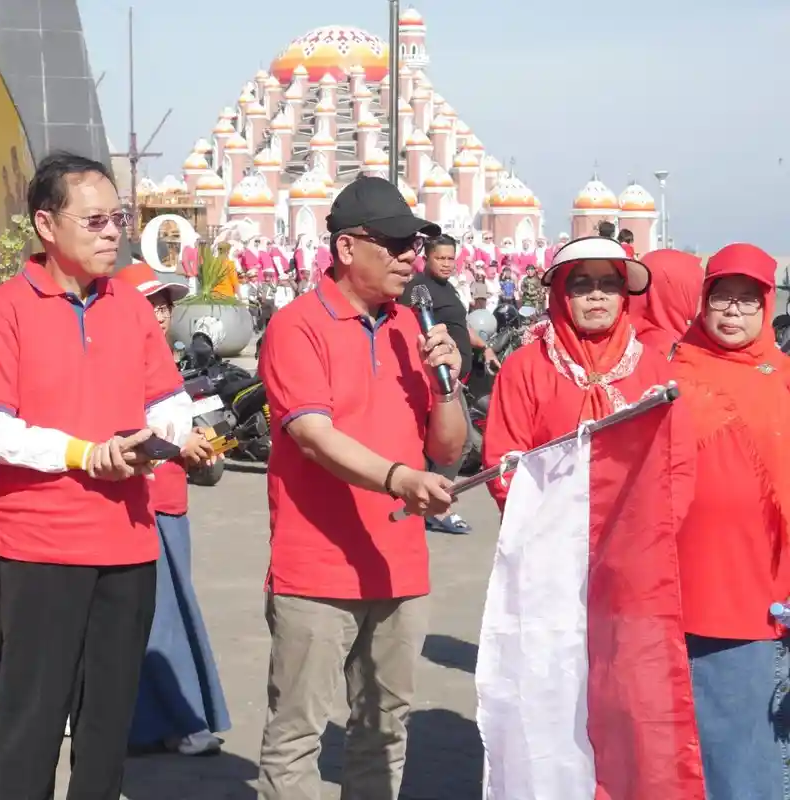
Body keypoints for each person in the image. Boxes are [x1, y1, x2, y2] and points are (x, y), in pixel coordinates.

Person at [0, 152, 207, 799]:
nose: (111, 233)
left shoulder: (130, 307)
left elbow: (170, 403)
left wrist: (170, 442)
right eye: (94, 220)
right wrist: (84, 454)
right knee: (30, 723)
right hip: (38, 550)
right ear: (46, 225)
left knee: (106, 727)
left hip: (128, 546)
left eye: (118, 219)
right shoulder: (5, 309)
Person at [256, 176, 466, 799]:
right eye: (397, 244)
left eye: (416, 245)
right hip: (317, 570)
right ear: (347, 248)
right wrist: (401, 480)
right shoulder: (298, 326)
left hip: (399, 567)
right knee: (297, 734)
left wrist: (447, 380)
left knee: (384, 730)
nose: (412, 257)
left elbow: (449, 448)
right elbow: (314, 437)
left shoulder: (412, 327)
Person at [670, 243, 790, 799]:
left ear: (767, 307)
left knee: (760, 753)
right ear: (704, 302)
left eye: (748, 300)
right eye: (723, 298)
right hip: (691, 595)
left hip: (768, 597)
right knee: (705, 753)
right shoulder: (669, 378)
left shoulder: (784, 378)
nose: (734, 312)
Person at [113, 262, 232, 757]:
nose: (159, 315)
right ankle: (180, 723)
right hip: (136, 506)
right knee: (158, 618)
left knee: (165, 612)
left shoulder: (171, 362)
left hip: (169, 504)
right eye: (148, 304)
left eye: (164, 305)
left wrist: (204, 442)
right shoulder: (115, 366)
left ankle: (153, 723)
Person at [482, 236, 668, 508]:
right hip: (547, 533)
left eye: (609, 284)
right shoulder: (524, 367)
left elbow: (674, 456)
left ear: (623, 294)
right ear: (561, 293)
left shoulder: (653, 366)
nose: (597, 294)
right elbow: (504, 462)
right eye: (581, 285)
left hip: (634, 534)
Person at [406, 234, 477, 535]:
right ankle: (438, 505)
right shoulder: (418, 289)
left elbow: (460, 326)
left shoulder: (449, 290)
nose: (447, 264)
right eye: (441, 258)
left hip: (457, 376)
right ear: (428, 258)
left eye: (451, 258)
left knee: (459, 443)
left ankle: (430, 502)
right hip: (439, 378)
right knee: (461, 444)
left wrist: (482, 346)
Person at [631, 249, 702, 357]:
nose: (701, 299)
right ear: (675, 295)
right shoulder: (672, 355)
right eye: (697, 291)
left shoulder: (628, 340)